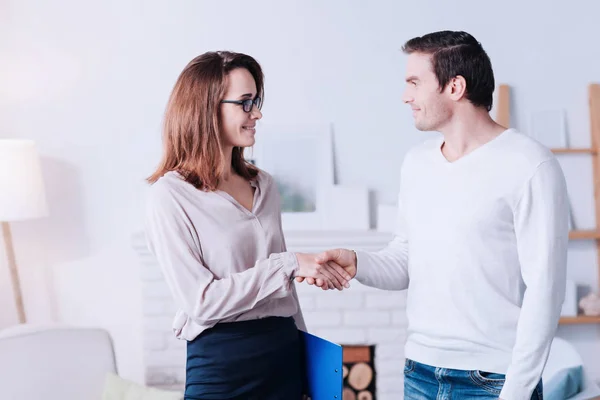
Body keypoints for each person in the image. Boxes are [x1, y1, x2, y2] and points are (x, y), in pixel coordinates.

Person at [312, 31, 569, 400]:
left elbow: (546, 292)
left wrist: (516, 391)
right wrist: (356, 261)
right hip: (420, 373)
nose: (405, 96)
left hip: (494, 379)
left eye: (414, 82)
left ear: (455, 86)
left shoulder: (530, 165)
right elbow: (405, 259)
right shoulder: (417, 163)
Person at [144, 51, 350, 400]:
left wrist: (307, 367)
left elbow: (286, 291)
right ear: (206, 108)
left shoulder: (264, 185)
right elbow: (202, 302)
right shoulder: (169, 195)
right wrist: (287, 263)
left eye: (256, 101)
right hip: (223, 366)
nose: (257, 113)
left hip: (283, 354)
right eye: (245, 103)